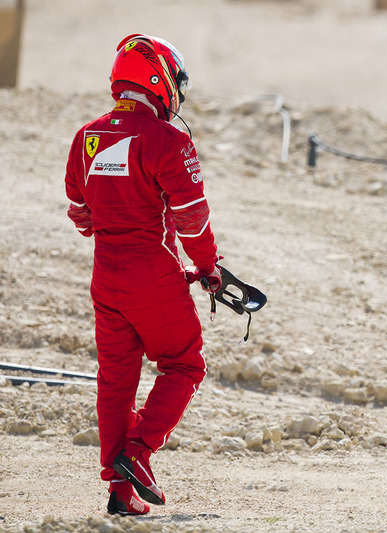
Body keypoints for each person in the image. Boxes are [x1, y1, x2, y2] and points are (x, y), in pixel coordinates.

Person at [64, 34, 221, 516]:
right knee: (185, 364)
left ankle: (120, 490)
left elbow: (79, 212)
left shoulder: (87, 135)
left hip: (105, 278)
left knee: (115, 381)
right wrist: (208, 267)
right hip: (153, 274)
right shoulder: (169, 139)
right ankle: (138, 454)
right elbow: (193, 219)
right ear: (161, 81)